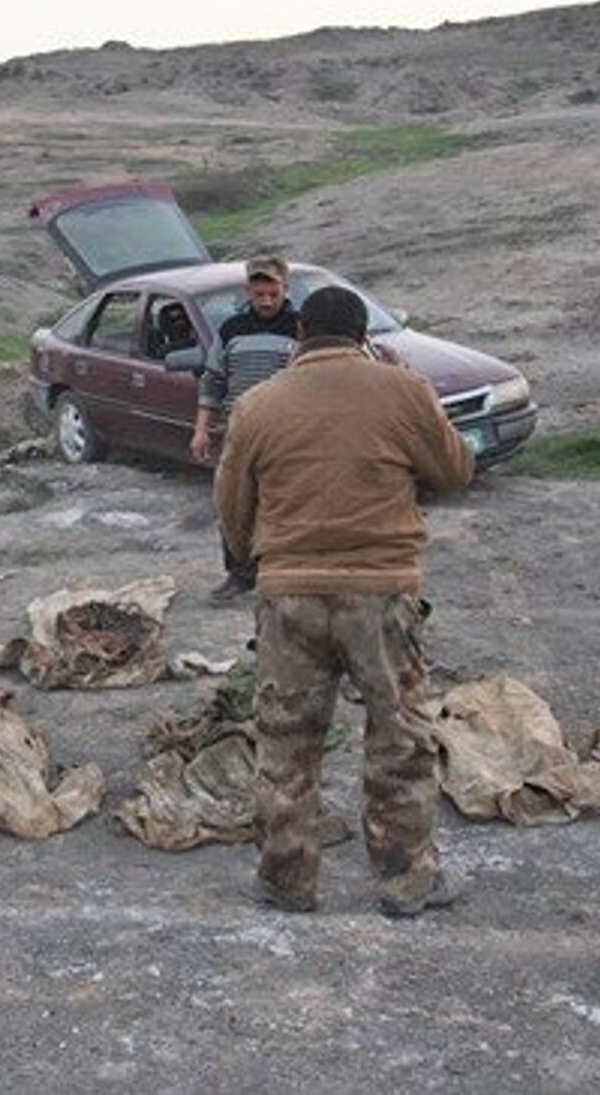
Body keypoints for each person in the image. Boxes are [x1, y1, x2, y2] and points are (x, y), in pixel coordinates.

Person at [212, 285, 475, 918]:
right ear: (363, 336)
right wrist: (406, 386)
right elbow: (454, 471)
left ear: (299, 333)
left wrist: (257, 559)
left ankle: (286, 881)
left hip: (289, 598)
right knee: (400, 738)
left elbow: (230, 504)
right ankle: (406, 883)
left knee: (286, 745)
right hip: (380, 595)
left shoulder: (257, 404)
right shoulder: (403, 390)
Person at [190, 254, 299, 604]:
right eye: (259, 294)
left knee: (284, 505)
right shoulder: (231, 330)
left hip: (286, 434)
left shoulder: (301, 328)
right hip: (237, 431)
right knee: (233, 502)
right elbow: (213, 380)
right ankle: (239, 574)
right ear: (248, 291)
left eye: (273, 293)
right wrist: (201, 430)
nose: (266, 301)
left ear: (286, 288)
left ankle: (283, 575)